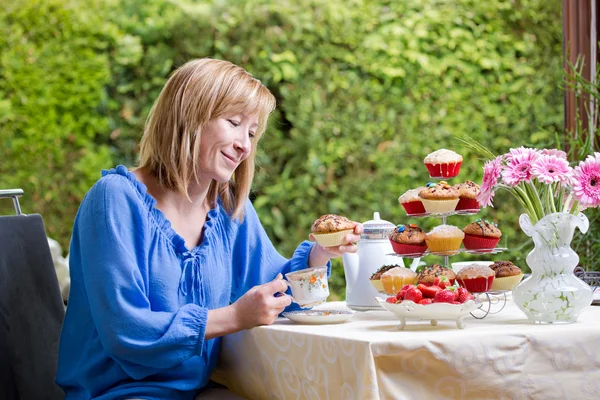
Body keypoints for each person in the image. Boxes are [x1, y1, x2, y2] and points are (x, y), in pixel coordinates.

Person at [56, 58, 362, 400]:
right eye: (234, 123)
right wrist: (234, 316)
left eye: (251, 132)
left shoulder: (229, 209)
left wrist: (321, 253)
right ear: (188, 116)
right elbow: (128, 333)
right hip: (118, 393)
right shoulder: (114, 199)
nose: (244, 145)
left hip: (196, 392)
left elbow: (277, 292)